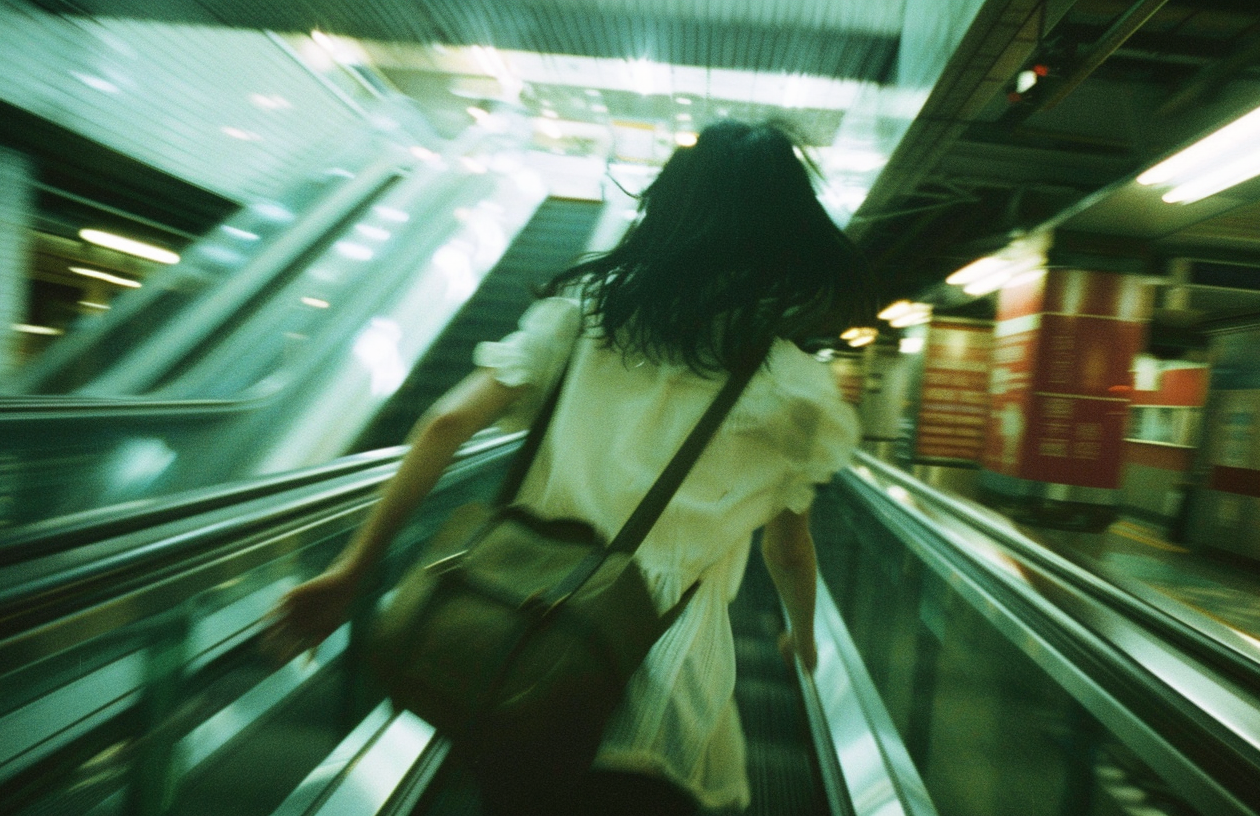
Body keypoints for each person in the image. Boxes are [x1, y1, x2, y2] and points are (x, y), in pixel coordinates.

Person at [264, 120, 869, 814]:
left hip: (520, 647)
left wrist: (353, 569)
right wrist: (802, 629)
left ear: (667, 208)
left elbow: (445, 424)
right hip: (665, 674)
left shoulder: (579, 319)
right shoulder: (794, 392)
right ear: (789, 234)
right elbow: (788, 546)